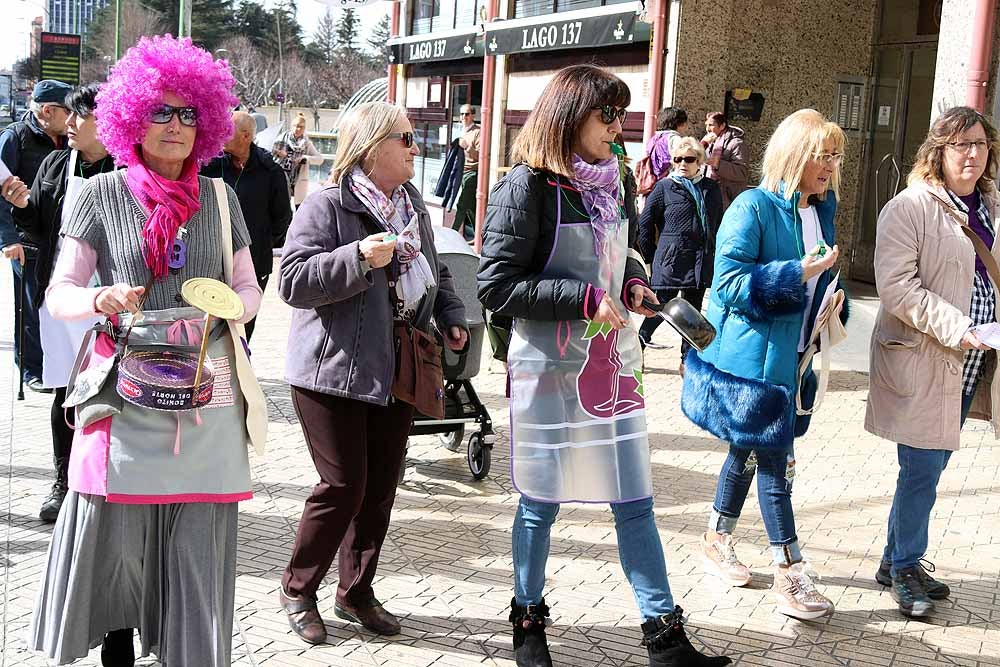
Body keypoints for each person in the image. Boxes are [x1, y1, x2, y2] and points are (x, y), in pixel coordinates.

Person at [478, 65, 731, 667]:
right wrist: (583, 297)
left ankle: (665, 638)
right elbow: (495, 285)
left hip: (611, 366)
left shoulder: (615, 178)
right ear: (569, 117)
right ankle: (528, 624)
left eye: (621, 115)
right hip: (548, 369)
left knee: (634, 495)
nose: (619, 128)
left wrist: (634, 281)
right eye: (608, 115)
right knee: (539, 501)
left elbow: (623, 252)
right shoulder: (526, 186)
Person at [27, 35, 265, 666]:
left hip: (204, 393)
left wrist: (232, 309)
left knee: (196, 541)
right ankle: (117, 641)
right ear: (132, 117)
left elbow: (249, 289)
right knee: (116, 541)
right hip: (124, 393)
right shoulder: (98, 194)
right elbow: (60, 293)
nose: (176, 125)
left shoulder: (222, 198)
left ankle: (186, 650)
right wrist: (99, 297)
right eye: (161, 110)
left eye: (189, 113)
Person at [277, 101, 469, 646]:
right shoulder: (327, 206)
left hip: (397, 367)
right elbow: (292, 281)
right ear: (370, 146)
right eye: (405, 138)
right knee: (344, 486)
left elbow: (437, 271)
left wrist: (451, 314)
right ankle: (297, 589)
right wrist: (359, 258)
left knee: (381, 487)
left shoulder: (413, 206)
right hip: (331, 371)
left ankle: (355, 591)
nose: (415, 147)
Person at [681, 109, 846, 621]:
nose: (830, 166)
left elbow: (821, 280)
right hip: (753, 365)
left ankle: (716, 538)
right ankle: (789, 570)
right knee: (776, 463)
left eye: (835, 156)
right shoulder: (753, 206)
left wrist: (833, 300)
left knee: (747, 454)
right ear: (794, 155)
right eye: (822, 155)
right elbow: (728, 284)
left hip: (795, 359)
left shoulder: (822, 209)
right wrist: (797, 272)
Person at [866, 106, 1000, 618]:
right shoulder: (910, 208)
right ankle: (904, 567)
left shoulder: (990, 205)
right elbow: (898, 288)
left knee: (933, 464)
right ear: (938, 152)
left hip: (972, 363)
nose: (971, 154)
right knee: (921, 468)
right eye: (960, 144)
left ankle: (894, 560)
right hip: (926, 357)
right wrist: (959, 328)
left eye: (980, 144)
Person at [2, 83, 116, 523]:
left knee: (112, 393)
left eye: (78, 115)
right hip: (62, 297)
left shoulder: (128, 168)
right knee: (66, 394)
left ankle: (111, 482)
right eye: (67, 114)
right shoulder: (54, 163)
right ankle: (63, 482)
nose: (67, 123)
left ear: (105, 122)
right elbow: (39, 226)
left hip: (113, 300)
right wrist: (22, 206)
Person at [0, 78, 72, 392]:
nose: (73, 118)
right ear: (47, 111)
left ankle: (56, 366)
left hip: (59, 238)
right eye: (67, 111)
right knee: (30, 306)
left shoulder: (68, 140)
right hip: (24, 239)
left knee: (53, 306)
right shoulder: (14, 137)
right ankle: (32, 370)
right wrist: (7, 239)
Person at [202, 110, 293, 340]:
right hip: (212, 260)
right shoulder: (210, 165)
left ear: (245, 136)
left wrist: (259, 243)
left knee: (243, 331)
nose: (221, 134)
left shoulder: (271, 171)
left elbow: (282, 218)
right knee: (210, 330)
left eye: (227, 130)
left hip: (255, 263)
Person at [637, 136, 723, 368]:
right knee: (661, 306)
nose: (683, 163)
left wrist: (713, 252)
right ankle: (639, 343)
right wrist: (651, 256)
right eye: (678, 159)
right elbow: (644, 223)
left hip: (699, 260)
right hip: (671, 260)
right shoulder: (665, 187)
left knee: (692, 314)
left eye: (689, 159)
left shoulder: (710, 189)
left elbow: (717, 224)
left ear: (699, 162)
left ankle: (687, 361)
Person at [273, 111, 323, 207]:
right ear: (291, 126)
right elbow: (271, 152)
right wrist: (279, 153)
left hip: (298, 180)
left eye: (301, 127)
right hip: (282, 177)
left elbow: (319, 159)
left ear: (304, 128)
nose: (298, 129)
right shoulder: (282, 138)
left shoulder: (306, 143)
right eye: (295, 126)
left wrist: (305, 158)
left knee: (299, 207)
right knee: (282, 207)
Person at [702, 112, 749, 210]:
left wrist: (718, 164)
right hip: (709, 193)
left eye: (711, 125)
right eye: (706, 125)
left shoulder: (737, 143)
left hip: (727, 198)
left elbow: (741, 172)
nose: (707, 129)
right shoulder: (710, 141)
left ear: (722, 126)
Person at [452, 103, 481, 240]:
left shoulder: (478, 132)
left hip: (472, 173)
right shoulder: (459, 130)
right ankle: (480, 237)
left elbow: (481, 156)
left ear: (473, 115)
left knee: (462, 205)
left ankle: (451, 234)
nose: (464, 117)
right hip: (460, 173)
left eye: (467, 114)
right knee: (470, 207)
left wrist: (467, 147)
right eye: (462, 114)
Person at [644, 106, 689, 182]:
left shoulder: (654, 138)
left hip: (652, 179)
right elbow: (687, 158)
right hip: (668, 181)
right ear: (680, 123)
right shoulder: (674, 139)